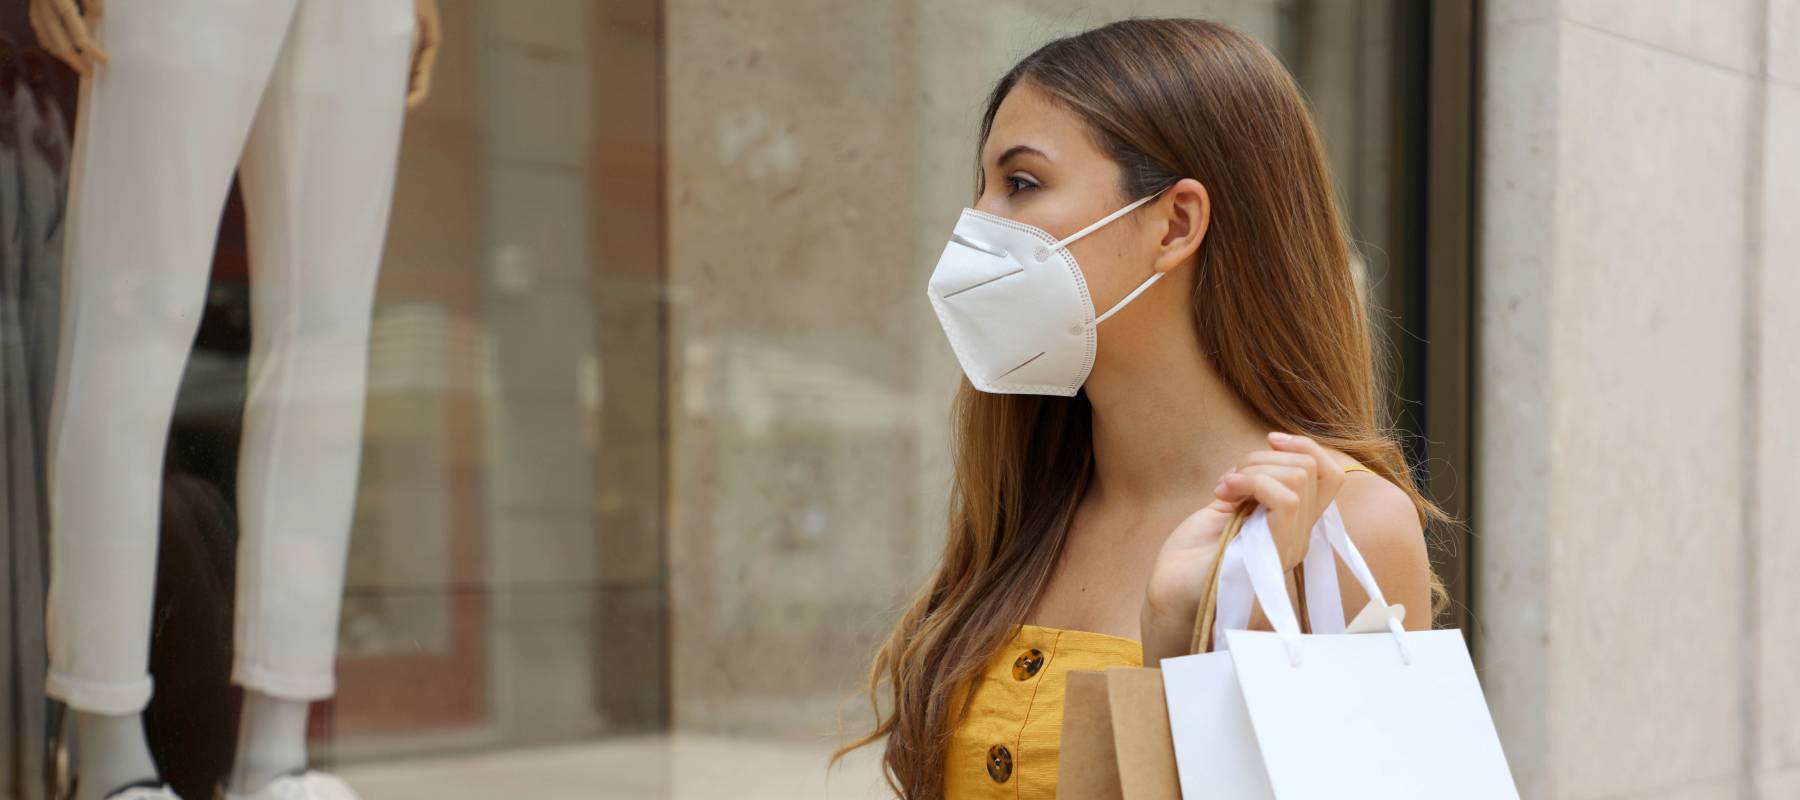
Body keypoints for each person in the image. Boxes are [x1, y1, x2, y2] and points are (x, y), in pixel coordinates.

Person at [834, 17, 1449, 799]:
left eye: (1021, 184)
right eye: (982, 188)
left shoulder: (1340, 530)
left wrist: (1194, 647)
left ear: (1177, 223)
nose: (976, 228)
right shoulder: (1029, 502)